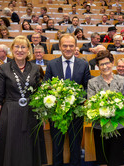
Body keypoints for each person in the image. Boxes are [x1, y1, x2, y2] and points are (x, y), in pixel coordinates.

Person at [0, 35, 47, 166]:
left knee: (28, 150)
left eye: (23, 47)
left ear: (28, 51)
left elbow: (39, 95)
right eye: (17, 46)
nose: (20, 50)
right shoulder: (4, 68)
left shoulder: (36, 68)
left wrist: (42, 117)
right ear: (12, 49)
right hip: (10, 115)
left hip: (31, 114)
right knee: (11, 151)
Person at [44, 33, 91, 166]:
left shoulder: (83, 64)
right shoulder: (52, 64)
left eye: (71, 45)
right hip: (57, 114)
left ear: (76, 46)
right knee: (57, 147)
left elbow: (88, 87)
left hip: (76, 113)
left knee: (75, 147)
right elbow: (46, 85)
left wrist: (76, 100)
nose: (68, 48)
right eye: (65, 45)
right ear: (60, 46)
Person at [87, 50, 124, 166]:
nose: (105, 67)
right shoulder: (92, 82)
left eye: (107, 63)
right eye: (101, 64)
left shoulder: (122, 80)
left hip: (119, 126)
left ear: (112, 63)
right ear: (98, 66)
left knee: (120, 160)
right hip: (101, 127)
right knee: (103, 159)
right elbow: (91, 105)